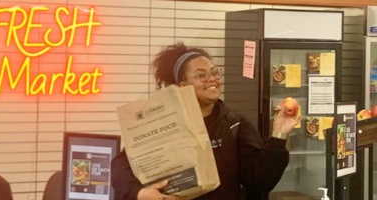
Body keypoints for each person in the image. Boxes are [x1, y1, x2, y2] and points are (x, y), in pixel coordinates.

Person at [111, 42, 301, 200]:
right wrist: (140, 193)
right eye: (201, 75)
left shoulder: (235, 125)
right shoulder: (160, 123)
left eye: (215, 72)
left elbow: (260, 181)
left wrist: (279, 135)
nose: (212, 79)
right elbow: (120, 169)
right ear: (182, 86)